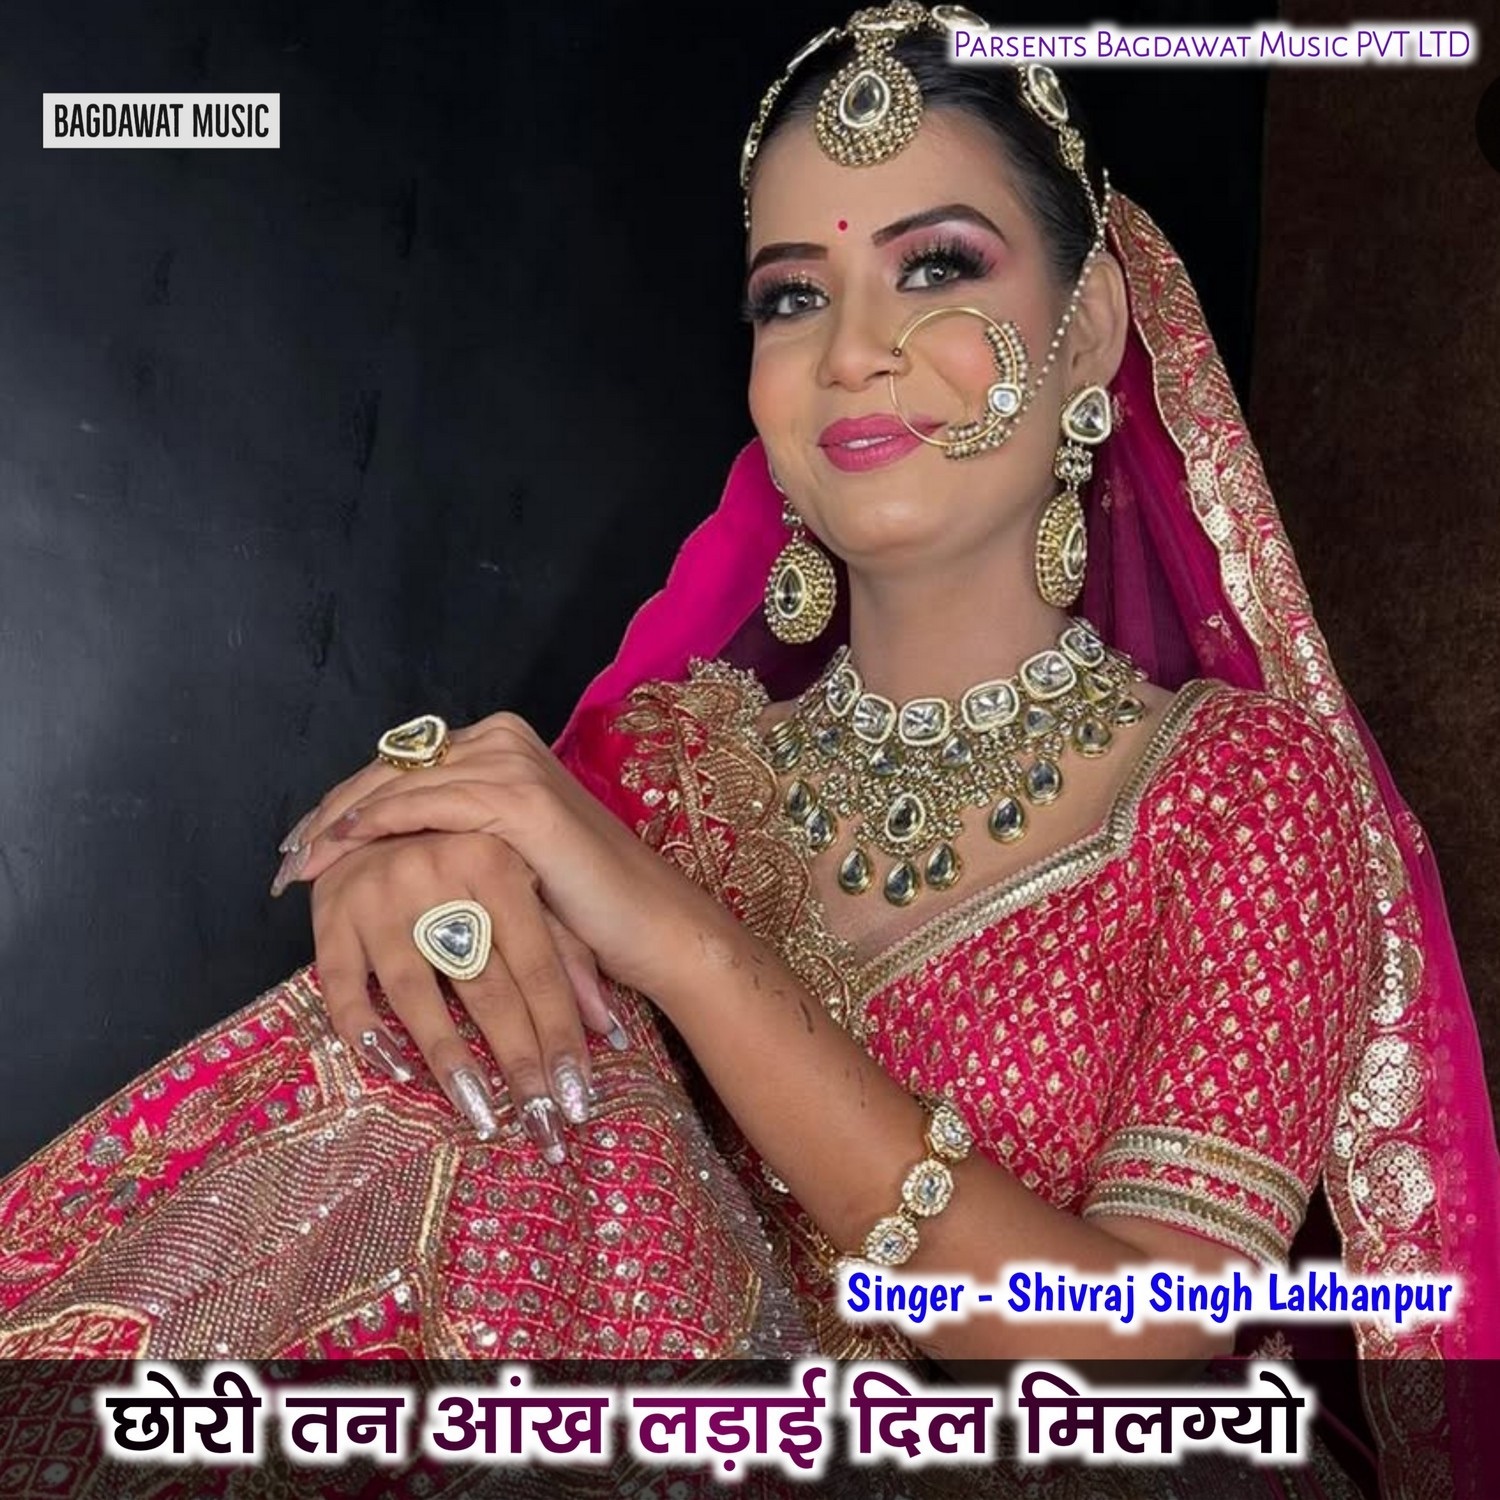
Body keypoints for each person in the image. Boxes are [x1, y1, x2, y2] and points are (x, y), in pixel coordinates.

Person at [1, 4, 1496, 1495]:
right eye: (793, 297)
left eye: (935, 266)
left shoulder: (1243, 794)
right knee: (473, 1059)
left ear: (1090, 326)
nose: (852, 351)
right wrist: (419, 884)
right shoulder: (659, 776)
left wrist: (692, 952)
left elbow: (1145, 1350)